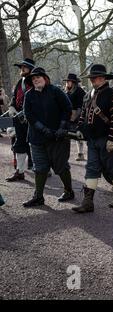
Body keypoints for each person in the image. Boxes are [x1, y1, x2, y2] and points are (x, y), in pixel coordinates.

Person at [72, 64, 113, 213]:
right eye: (91, 78)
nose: (92, 80)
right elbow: (83, 116)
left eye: (94, 78)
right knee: (91, 168)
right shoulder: (87, 95)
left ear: (102, 78)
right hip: (92, 140)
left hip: (108, 139)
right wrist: (80, 129)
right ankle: (88, 202)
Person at [22, 67, 74, 207]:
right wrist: (43, 129)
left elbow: (67, 108)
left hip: (57, 138)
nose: (36, 80)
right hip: (37, 138)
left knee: (61, 166)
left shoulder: (55, 91)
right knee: (40, 168)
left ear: (45, 78)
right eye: (33, 79)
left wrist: (62, 127)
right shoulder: (29, 95)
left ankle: (69, 191)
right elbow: (28, 115)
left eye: (38, 77)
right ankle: (38, 197)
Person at [5, 58, 35, 182]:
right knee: (19, 145)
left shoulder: (35, 81)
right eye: (21, 67)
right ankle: (20, 171)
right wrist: (12, 106)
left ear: (30, 69)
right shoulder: (20, 81)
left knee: (36, 145)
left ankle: (44, 168)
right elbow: (14, 97)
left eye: (24, 67)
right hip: (19, 119)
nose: (22, 69)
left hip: (32, 120)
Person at [63, 73, 87, 161]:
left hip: (78, 115)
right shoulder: (66, 92)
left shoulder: (80, 91)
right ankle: (65, 156)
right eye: (67, 81)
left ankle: (80, 153)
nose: (67, 83)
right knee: (67, 136)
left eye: (68, 81)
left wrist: (76, 116)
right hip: (67, 116)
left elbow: (82, 106)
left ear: (73, 82)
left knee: (78, 135)